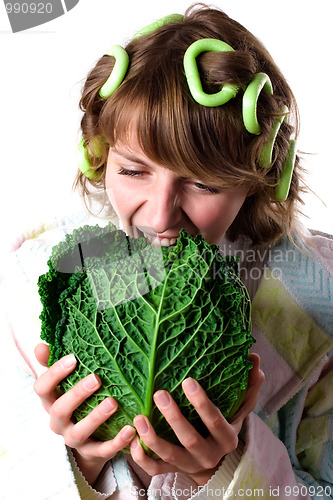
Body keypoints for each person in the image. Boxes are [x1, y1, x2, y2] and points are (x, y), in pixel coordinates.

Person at [5, 4, 333, 499]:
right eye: (134, 171)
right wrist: (83, 462)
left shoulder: (318, 305)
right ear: (98, 157)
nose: (160, 217)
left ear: (260, 180)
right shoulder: (34, 286)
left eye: (203, 183)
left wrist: (227, 473)